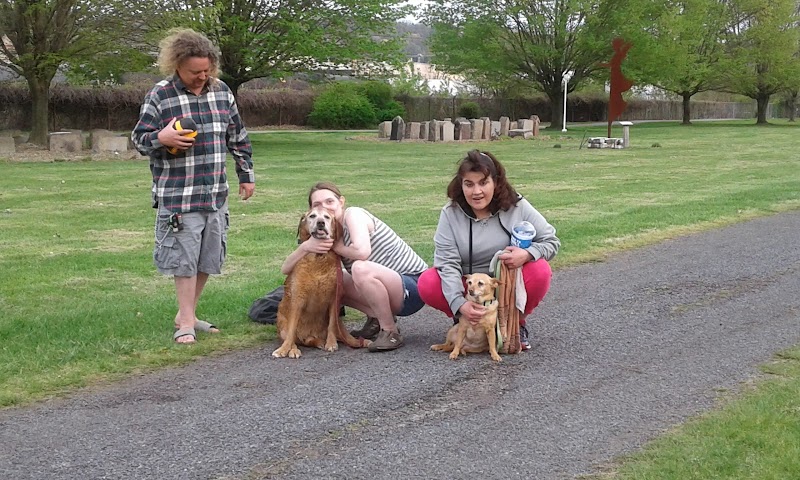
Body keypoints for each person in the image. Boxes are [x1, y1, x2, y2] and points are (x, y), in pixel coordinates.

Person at [131, 28, 255, 344]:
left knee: (207, 258)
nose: (201, 77)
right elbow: (139, 139)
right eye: (194, 72)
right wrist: (162, 138)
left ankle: (187, 314)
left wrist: (246, 175)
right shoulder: (160, 95)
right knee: (183, 258)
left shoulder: (223, 92)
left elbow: (237, 137)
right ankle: (186, 321)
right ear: (176, 66)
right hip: (178, 194)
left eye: (206, 70)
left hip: (215, 193)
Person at [417, 150, 559, 350]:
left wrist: (527, 254)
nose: (476, 192)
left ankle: (515, 324)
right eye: (469, 184)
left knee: (540, 270)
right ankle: (466, 320)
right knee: (428, 282)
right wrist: (459, 303)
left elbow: (551, 241)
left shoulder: (517, 206)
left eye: (483, 182)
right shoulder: (450, 213)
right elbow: (447, 263)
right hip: (471, 286)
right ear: (461, 184)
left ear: (496, 182)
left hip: (506, 283)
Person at [280, 182, 428, 352]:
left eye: (329, 202)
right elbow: (286, 269)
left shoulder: (354, 215)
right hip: (392, 289)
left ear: (341, 202)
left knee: (360, 269)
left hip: (414, 285)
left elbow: (362, 252)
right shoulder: (330, 229)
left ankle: (390, 332)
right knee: (335, 281)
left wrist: (337, 247)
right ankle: (376, 319)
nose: (325, 208)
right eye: (317, 205)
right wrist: (305, 247)